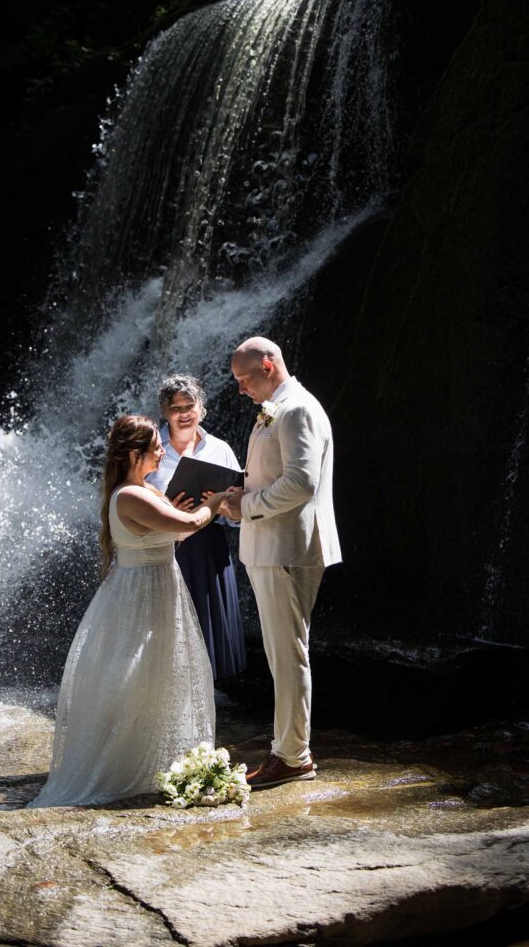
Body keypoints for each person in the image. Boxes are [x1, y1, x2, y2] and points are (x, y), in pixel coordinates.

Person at [29, 415, 230, 808]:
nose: (162, 448)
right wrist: (217, 503)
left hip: (158, 586)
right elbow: (190, 521)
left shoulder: (148, 491)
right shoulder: (131, 496)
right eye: (156, 444)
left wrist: (190, 509)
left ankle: (155, 759)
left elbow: (180, 531)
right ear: (136, 453)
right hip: (142, 592)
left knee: (158, 676)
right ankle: (124, 767)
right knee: (138, 678)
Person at [223, 337, 341, 789]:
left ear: (268, 365)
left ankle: (292, 755)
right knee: (281, 652)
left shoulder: (297, 409)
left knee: (288, 654)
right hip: (273, 547)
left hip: (287, 549)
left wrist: (246, 506)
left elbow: (302, 482)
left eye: (244, 379)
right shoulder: (280, 406)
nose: (239, 389)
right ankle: (289, 749)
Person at [146, 374, 246, 681]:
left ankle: (208, 696)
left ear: (201, 408)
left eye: (190, 406)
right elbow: (134, 501)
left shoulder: (220, 449)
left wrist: (226, 506)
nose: (184, 413)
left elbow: (237, 516)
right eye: (176, 408)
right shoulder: (152, 448)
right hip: (168, 549)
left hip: (210, 549)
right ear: (165, 412)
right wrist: (168, 509)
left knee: (208, 627)